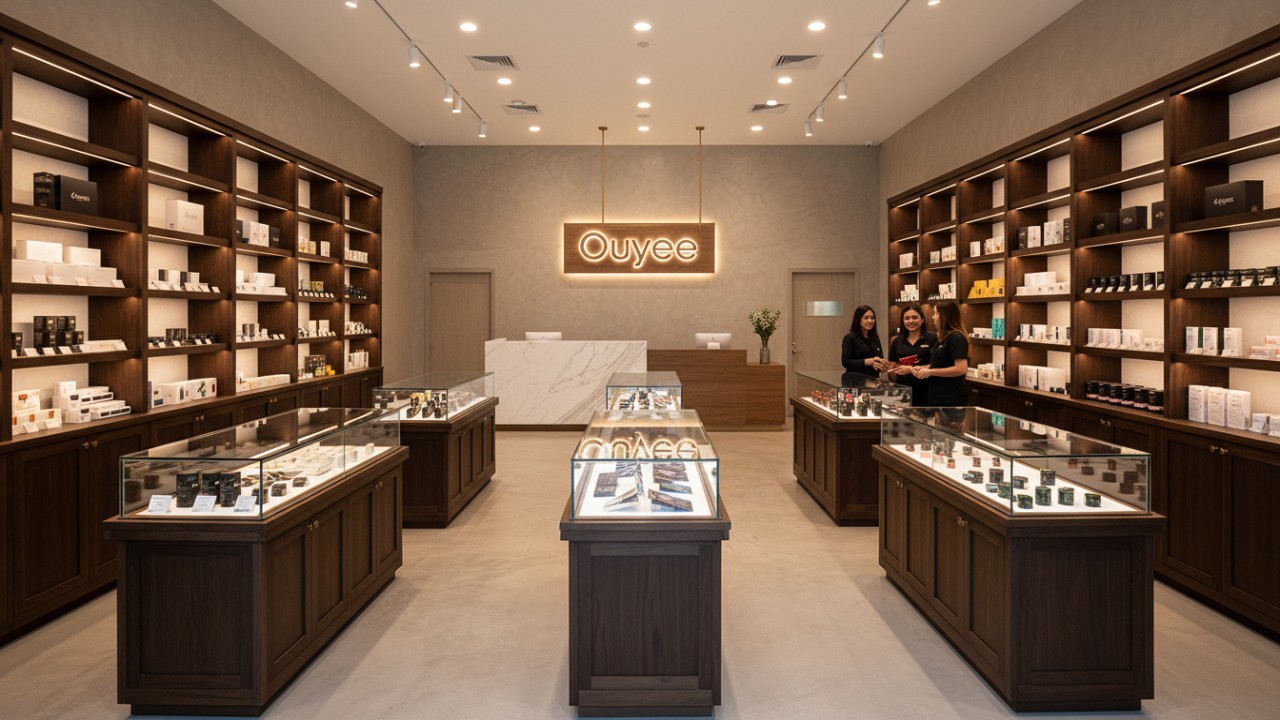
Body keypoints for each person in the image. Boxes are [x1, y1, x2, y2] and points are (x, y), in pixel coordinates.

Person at [911, 302, 969, 406]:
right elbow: (943, 362)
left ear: (944, 316)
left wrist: (930, 372)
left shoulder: (956, 338)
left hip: (950, 396)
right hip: (938, 394)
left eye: (936, 314)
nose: (933, 317)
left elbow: (961, 369)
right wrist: (925, 368)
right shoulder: (944, 338)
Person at [887, 304, 937, 406]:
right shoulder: (896, 341)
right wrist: (905, 369)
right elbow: (891, 367)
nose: (911, 321)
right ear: (903, 321)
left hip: (928, 390)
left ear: (922, 320)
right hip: (903, 392)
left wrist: (914, 369)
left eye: (914, 317)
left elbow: (938, 363)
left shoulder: (933, 338)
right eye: (907, 318)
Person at [842, 305, 888, 380]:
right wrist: (867, 362)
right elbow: (846, 362)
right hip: (855, 381)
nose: (870, 321)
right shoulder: (850, 338)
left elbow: (879, 357)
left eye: (872, 318)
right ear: (858, 319)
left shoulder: (875, 338)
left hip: (873, 381)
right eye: (866, 318)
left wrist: (881, 364)